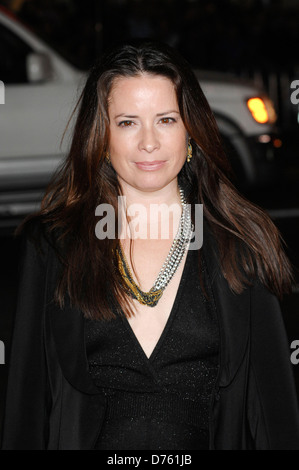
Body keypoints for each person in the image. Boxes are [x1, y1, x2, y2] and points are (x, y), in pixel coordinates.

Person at [1, 41, 299, 450]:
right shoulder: (53, 247)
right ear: (100, 135)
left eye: (165, 119)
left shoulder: (242, 244)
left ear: (190, 128)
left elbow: (275, 416)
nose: (148, 142)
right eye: (127, 122)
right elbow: (26, 408)